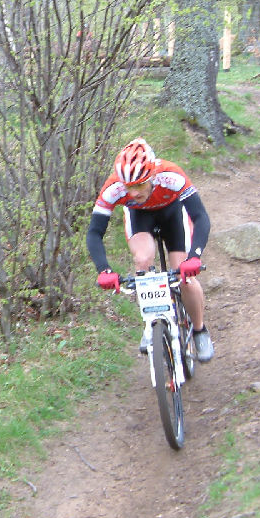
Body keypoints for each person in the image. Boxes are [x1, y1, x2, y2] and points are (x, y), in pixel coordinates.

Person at [86, 138, 214, 362]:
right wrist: (104, 270)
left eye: (139, 185)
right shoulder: (113, 188)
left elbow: (200, 216)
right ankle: (151, 323)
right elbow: (95, 232)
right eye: (129, 187)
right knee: (143, 260)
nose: (133, 192)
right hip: (139, 218)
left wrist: (194, 257)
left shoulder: (171, 175)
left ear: (152, 175)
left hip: (172, 213)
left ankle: (199, 330)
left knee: (184, 275)